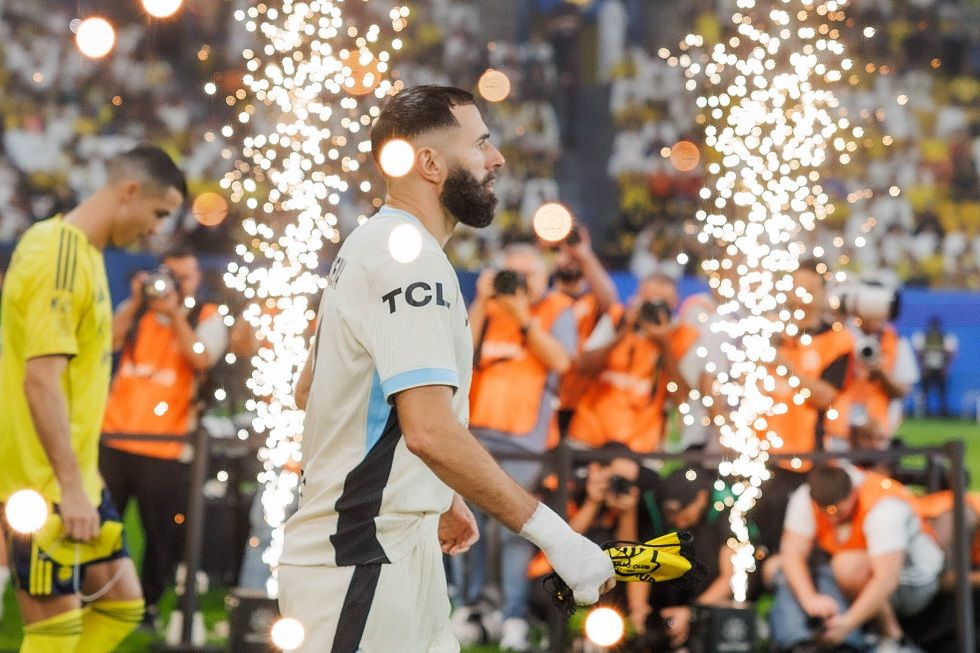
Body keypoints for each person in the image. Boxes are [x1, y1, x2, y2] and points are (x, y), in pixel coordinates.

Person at [277, 85, 615, 653]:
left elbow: (308, 388)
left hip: (386, 551)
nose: (497, 158)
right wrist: (560, 540)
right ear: (430, 163)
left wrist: (432, 492)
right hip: (364, 559)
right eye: (481, 143)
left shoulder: (371, 243)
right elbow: (429, 430)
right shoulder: (410, 262)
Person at [0, 145, 186, 653]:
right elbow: (41, 379)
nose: (157, 229)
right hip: (40, 482)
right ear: (128, 192)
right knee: (53, 633)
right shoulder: (56, 251)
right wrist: (68, 483)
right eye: (158, 213)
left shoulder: (86, 254)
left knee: (122, 604)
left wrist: (82, 475)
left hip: (74, 474)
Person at [99, 245, 229, 629]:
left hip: (167, 445)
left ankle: (148, 606)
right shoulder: (137, 310)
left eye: (183, 277)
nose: (173, 283)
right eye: (168, 274)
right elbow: (106, 341)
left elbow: (202, 358)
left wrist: (175, 314)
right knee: (101, 526)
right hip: (116, 436)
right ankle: (96, 596)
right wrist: (139, 300)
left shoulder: (205, 314)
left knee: (159, 534)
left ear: (196, 278)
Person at [463, 243, 578, 651]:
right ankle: (474, 608)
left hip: (525, 441)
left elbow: (562, 363)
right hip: (476, 432)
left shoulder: (555, 309)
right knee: (469, 525)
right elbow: (459, 350)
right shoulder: (489, 310)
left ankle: (513, 616)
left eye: (525, 276)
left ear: (542, 278)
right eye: (509, 274)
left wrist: (521, 314)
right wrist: (482, 298)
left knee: (513, 528)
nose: (517, 284)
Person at [771, 464, 942, 653]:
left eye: (838, 512)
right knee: (778, 568)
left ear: (852, 494)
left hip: (915, 581)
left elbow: (887, 578)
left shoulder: (883, 507)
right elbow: (792, 554)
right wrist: (810, 599)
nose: (831, 518)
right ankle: (802, 642)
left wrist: (847, 624)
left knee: (846, 566)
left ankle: (893, 639)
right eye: (825, 512)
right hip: (867, 572)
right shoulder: (806, 497)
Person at [752, 259, 855, 559]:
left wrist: (786, 367)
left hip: (806, 459)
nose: (799, 297)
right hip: (761, 456)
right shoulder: (770, 333)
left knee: (798, 540)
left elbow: (825, 396)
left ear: (824, 294)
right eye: (795, 288)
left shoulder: (836, 340)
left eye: (809, 290)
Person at [567, 273, 698, 454]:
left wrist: (665, 345)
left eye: (662, 302)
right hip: (589, 436)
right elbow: (584, 367)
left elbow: (681, 397)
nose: (653, 307)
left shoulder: (682, 335)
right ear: (636, 297)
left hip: (640, 448)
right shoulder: (617, 318)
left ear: (675, 303)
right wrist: (624, 331)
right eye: (648, 300)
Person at [550, 224, 619, 433]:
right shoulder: (543, 300)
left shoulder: (590, 303)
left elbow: (611, 304)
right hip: (543, 396)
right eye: (561, 252)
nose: (569, 258)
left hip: (579, 402)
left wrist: (584, 255)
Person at [912, 316, 957, 418]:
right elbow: (918, 353)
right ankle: (925, 412)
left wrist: (946, 369)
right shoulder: (923, 336)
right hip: (927, 369)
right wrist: (922, 367)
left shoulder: (945, 337)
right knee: (925, 393)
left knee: (943, 393)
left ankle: (944, 413)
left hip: (940, 369)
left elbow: (951, 353)